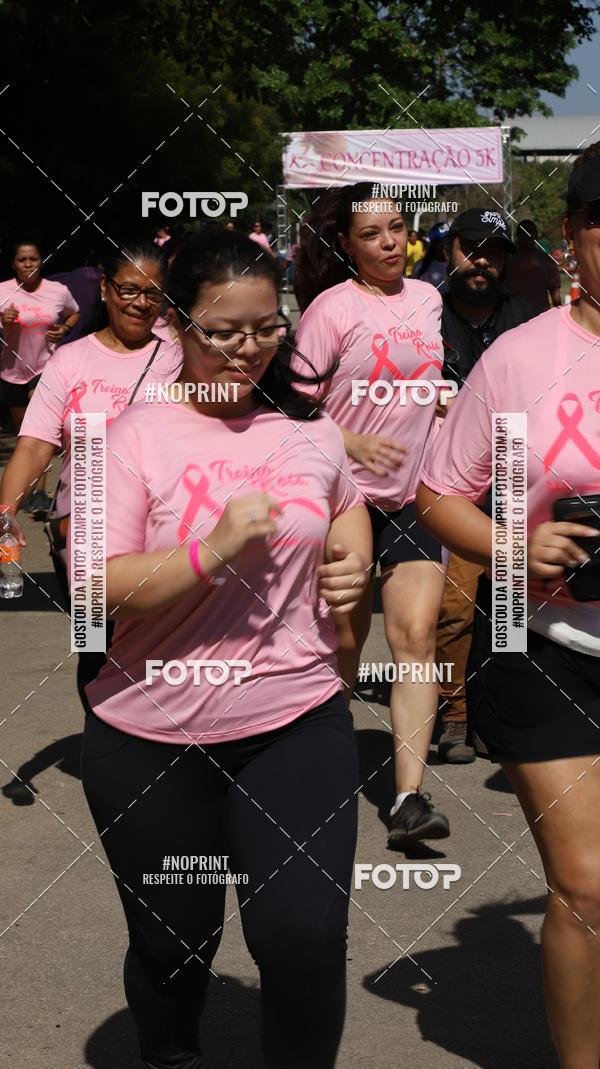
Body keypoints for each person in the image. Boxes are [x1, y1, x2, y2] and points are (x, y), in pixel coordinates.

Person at [80, 226, 371, 1069]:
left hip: (294, 717)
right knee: (176, 944)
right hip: (149, 732)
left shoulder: (310, 431)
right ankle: (169, 1049)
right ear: (175, 322)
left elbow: (343, 513)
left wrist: (352, 570)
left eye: (266, 327)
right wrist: (209, 549)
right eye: (224, 331)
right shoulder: (123, 436)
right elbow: (92, 590)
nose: (248, 350)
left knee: (306, 937)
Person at [416, 142, 600, 1069]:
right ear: (573, 237)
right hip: (547, 642)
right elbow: (440, 492)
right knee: (587, 882)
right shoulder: (523, 358)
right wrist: (521, 545)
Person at [294, 183, 450, 849]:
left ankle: (408, 798)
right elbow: (292, 406)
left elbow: (426, 374)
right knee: (347, 641)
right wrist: (347, 439)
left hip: (414, 494)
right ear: (347, 244)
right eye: (372, 233)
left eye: (397, 228)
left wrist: (441, 397)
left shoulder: (428, 298)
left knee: (416, 636)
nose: (389, 242)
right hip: (343, 496)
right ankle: (307, 772)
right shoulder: (331, 310)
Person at [0, 240, 182, 702]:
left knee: (164, 650)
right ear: (104, 289)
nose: (141, 302)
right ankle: (107, 752)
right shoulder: (71, 361)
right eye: (128, 289)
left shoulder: (180, 357)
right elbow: (36, 446)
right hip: (82, 535)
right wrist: (6, 513)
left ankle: (163, 751)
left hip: (162, 534)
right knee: (96, 651)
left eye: (154, 293)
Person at [435, 208, 534, 762]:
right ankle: (454, 714)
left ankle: (501, 713)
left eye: (493, 253)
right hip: (453, 484)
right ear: (451, 252)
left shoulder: (525, 315)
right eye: (472, 249)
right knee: (454, 606)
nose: (481, 262)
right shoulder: (428, 317)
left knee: (511, 607)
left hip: (517, 473)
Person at [0, 239, 79, 515]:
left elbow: (74, 312)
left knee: (41, 430)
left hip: (45, 369)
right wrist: (2, 320)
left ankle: (40, 492)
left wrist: (64, 329)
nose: (28, 264)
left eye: (33, 259)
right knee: (25, 436)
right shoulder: (3, 291)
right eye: (23, 260)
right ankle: (31, 490)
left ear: (41, 261)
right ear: (14, 264)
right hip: (11, 372)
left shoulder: (58, 291)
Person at [507, 219, 562, 315]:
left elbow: (555, 297)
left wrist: (559, 318)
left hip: (538, 319)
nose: (526, 237)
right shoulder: (507, 261)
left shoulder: (546, 261)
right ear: (517, 236)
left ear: (535, 236)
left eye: (529, 233)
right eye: (523, 233)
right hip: (513, 318)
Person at [412, 221, 450, 291]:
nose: (446, 244)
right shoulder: (419, 266)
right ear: (434, 244)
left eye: (449, 240)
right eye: (442, 241)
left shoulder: (456, 266)